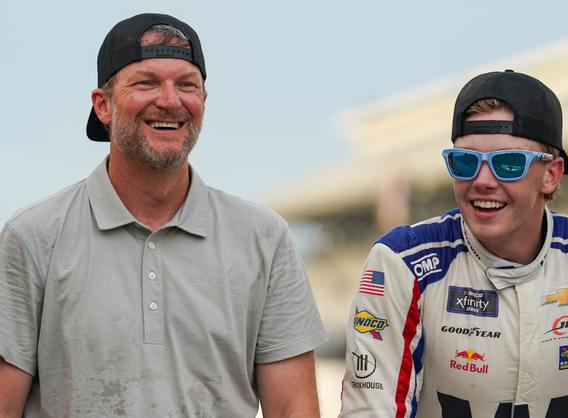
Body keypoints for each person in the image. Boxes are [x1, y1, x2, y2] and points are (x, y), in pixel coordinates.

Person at [0, 13, 327, 418]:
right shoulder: (32, 237)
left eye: (187, 85)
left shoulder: (264, 238)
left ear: (203, 102)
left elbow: (293, 409)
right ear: (102, 106)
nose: (170, 100)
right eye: (146, 83)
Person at [338, 69, 568, 417]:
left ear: (551, 174)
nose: (482, 181)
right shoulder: (399, 264)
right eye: (464, 162)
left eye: (508, 163)